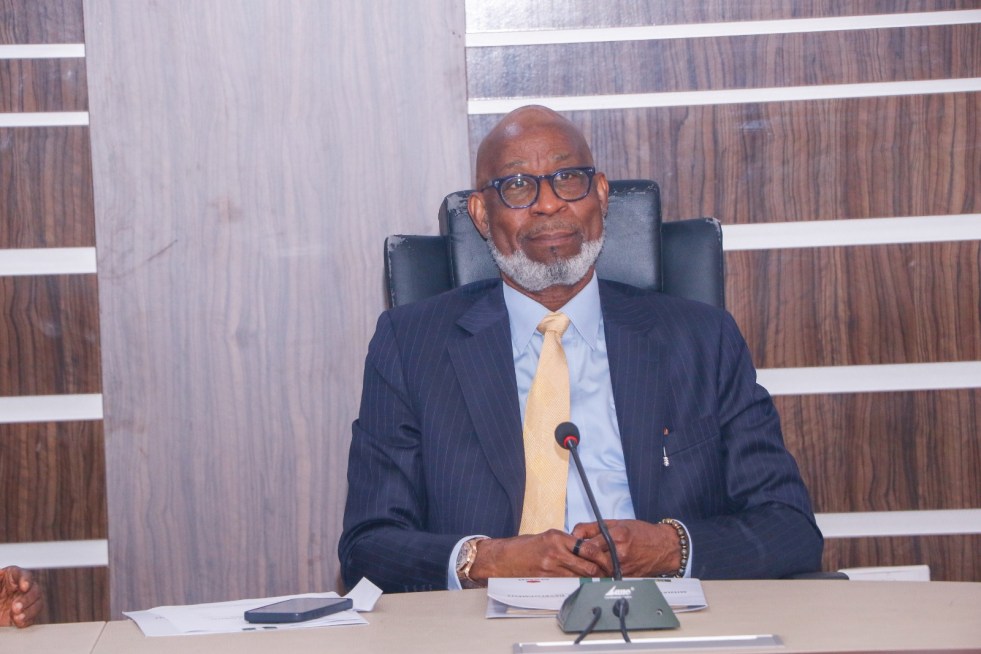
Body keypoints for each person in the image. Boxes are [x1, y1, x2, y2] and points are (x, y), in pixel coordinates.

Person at [339, 105, 823, 592]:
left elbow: (789, 527)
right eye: (518, 186)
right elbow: (368, 546)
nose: (549, 205)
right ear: (482, 214)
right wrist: (488, 559)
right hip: (485, 620)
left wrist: (668, 548)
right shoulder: (411, 345)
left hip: (661, 614)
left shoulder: (701, 339)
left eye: (568, 178)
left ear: (601, 195)